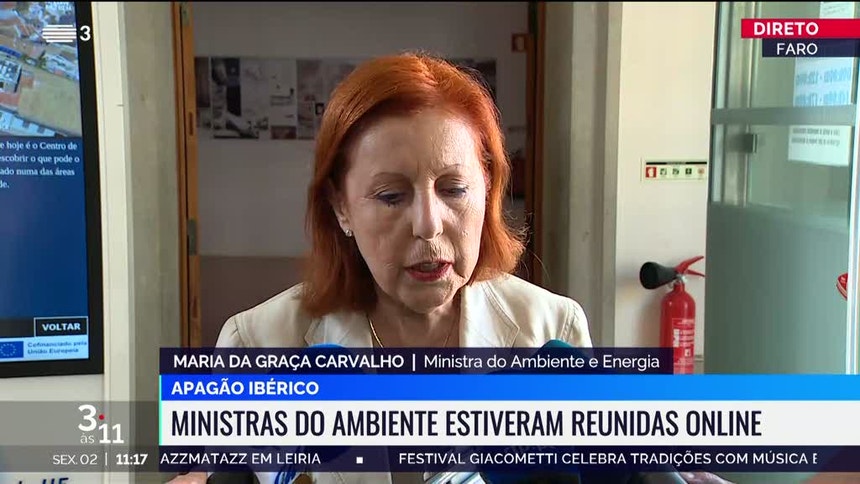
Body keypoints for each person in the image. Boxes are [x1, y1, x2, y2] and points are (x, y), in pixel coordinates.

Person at [168, 52, 735, 484]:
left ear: (488, 190)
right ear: (340, 207)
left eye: (454, 189)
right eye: (391, 196)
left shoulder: (551, 327)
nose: (428, 224)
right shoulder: (257, 341)